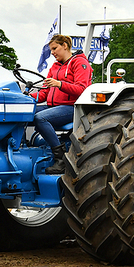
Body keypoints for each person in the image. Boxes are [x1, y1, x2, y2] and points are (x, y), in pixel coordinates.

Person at [31, 34, 92, 174]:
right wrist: (27, 99)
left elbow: (82, 90)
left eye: (54, 48)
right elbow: (45, 93)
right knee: (24, 112)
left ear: (65, 46)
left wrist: (60, 84)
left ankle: (60, 158)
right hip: (54, 106)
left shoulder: (80, 63)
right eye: (51, 49)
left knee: (40, 118)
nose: (52, 52)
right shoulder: (55, 66)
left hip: (72, 107)